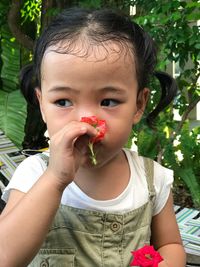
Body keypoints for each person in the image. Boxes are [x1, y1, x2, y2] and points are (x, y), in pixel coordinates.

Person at [0, 8, 186, 267]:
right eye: (63, 101)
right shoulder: (34, 175)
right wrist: (55, 179)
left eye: (108, 101)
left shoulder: (151, 180)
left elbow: (171, 245)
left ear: (139, 104)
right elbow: (5, 257)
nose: (86, 120)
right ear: (42, 105)